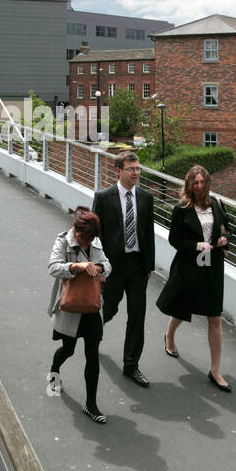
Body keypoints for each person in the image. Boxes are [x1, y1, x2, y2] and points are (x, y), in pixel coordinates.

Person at [155, 166, 232, 391]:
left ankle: (215, 370)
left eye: (202, 182)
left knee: (214, 316)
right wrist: (196, 245)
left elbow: (227, 229)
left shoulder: (217, 203)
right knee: (182, 306)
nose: (199, 186)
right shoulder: (181, 209)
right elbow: (174, 239)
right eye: (194, 183)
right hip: (190, 264)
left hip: (213, 265)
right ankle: (169, 336)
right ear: (189, 185)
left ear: (207, 183)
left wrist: (224, 240)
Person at [92, 151, 155, 388]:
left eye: (138, 169)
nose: (136, 173)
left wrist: (149, 265)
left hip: (138, 266)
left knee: (137, 317)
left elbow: (148, 234)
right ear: (119, 171)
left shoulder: (146, 198)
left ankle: (131, 365)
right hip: (112, 266)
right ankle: (92, 334)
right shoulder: (104, 197)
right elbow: (95, 235)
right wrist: (99, 267)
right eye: (132, 169)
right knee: (108, 308)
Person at [47, 207, 112, 424]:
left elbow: (108, 265)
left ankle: (91, 404)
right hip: (70, 308)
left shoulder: (95, 242)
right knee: (68, 349)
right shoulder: (63, 241)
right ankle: (54, 373)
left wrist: (100, 268)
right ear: (77, 230)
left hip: (92, 307)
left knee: (92, 355)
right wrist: (76, 266)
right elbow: (53, 267)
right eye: (84, 239)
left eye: (90, 240)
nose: (86, 244)